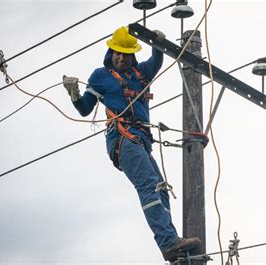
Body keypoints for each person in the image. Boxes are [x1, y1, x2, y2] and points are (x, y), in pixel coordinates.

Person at [62, 26, 200, 261]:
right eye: (117, 52)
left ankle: (175, 247)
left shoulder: (140, 73)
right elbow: (85, 109)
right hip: (122, 138)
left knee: (161, 189)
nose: (121, 58)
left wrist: (157, 42)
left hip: (141, 140)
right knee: (148, 185)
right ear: (110, 52)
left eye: (126, 54)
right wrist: (74, 94)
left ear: (132, 55)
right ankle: (168, 242)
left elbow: (156, 61)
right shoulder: (100, 76)